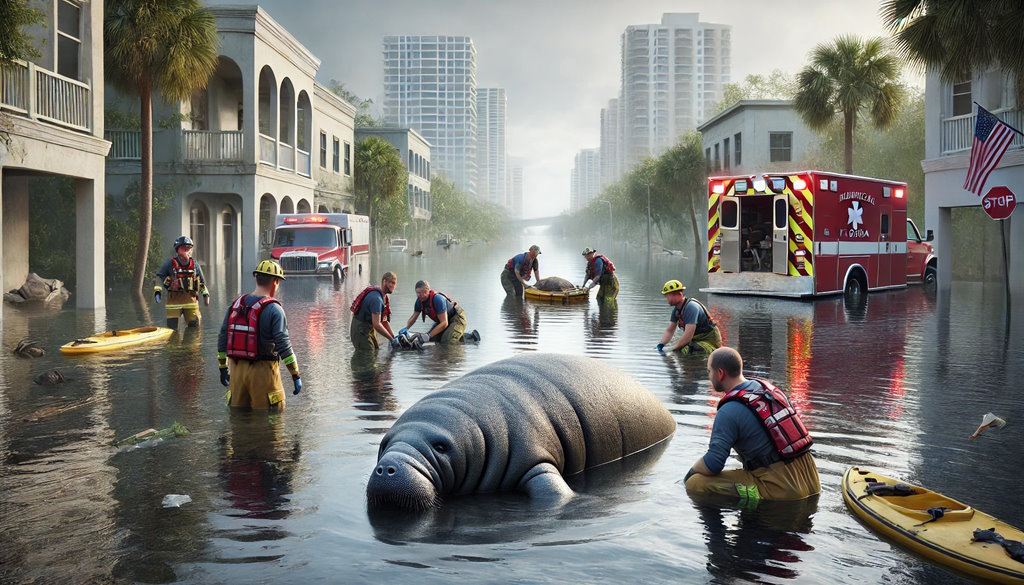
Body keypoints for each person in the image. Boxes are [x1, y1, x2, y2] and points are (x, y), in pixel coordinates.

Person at [684, 347, 820, 502]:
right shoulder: (767, 389)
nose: (709, 376)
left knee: (695, 483)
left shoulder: (728, 411)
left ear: (720, 374)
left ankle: (755, 509)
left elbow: (714, 463)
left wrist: (690, 472)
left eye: (709, 371)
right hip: (811, 478)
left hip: (781, 488)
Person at [217, 260, 301, 411]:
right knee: (270, 427)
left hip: (236, 375)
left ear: (256, 278)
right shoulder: (274, 309)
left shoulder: (235, 305)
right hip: (264, 375)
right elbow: (283, 345)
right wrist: (295, 374)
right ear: (275, 282)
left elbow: (223, 337)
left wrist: (223, 368)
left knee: (238, 427)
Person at [154, 235, 210, 328]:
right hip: (173, 303)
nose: (187, 251)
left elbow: (201, 283)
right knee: (173, 331)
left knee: (194, 331)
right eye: (184, 248)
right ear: (178, 250)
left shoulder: (195, 265)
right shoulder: (169, 264)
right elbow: (159, 277)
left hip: (191, 303)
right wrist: (157, 291)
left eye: (189, 248)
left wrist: (206, 295)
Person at [400, 280, 479, 344]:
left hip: (457, 317)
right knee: (433, 339)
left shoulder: (438, 299)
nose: (421, 295)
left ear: (428, 290)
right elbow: (413, 318)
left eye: (424, 292)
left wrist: (428, 335)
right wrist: (405, 328)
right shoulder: (419, 302)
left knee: (447, 341)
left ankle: (471, 337)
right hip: (443, 320)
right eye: (418, 293)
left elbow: (444, 323)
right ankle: (457, 335)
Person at [657, 279, 723, 354]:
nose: (667, 299)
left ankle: (698, 364)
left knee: (688, 350)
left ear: (679, 294)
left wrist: (673, 349)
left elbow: (687, 337)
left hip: (709, 340)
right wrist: (661, 344)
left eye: (668, 295)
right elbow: (670, 330)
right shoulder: (676, 310)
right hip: (697, 338)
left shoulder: (691, 307)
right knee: (675, 343)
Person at [351, 271, 398, 351]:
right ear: (384, 281)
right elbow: (377, 324)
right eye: (391, 283)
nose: (393, 286)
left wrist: (393, 337)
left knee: (376, 349)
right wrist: (391, 339)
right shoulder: (376, 299)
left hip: (369, 327)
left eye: (395, 284)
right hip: (360, 329)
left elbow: (384, 321)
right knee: (368, 353)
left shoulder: (384, 297)